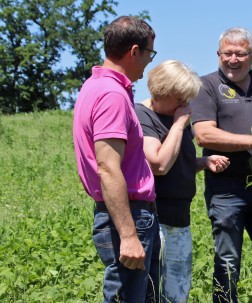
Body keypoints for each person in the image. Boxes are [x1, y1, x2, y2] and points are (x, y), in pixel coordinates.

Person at [190, 27, 252, 303]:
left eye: (240, 53)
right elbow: (204, 134)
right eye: (227, 53)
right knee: (228, 263)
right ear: (218, 54)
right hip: (226, 190)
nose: (233, 59)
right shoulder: (206, 86)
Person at [72, 16, 160, 303]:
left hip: (122, 213)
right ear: (134, 52)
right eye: (149, 53)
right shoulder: (112, 95)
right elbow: (108, 167)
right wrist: (129, 234)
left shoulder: (94, 87)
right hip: (129, 215)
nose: (149, 63)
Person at [135, 60, 230, 303]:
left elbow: (178, 160)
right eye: (180, 99)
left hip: (180, 217)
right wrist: (178, 125)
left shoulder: (175, 115)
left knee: (177, 294)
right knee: (152, 291)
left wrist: (203, 162)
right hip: (155, 219)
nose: (185, 106)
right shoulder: (143, 116)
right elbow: (158, 164)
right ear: (161, 92)